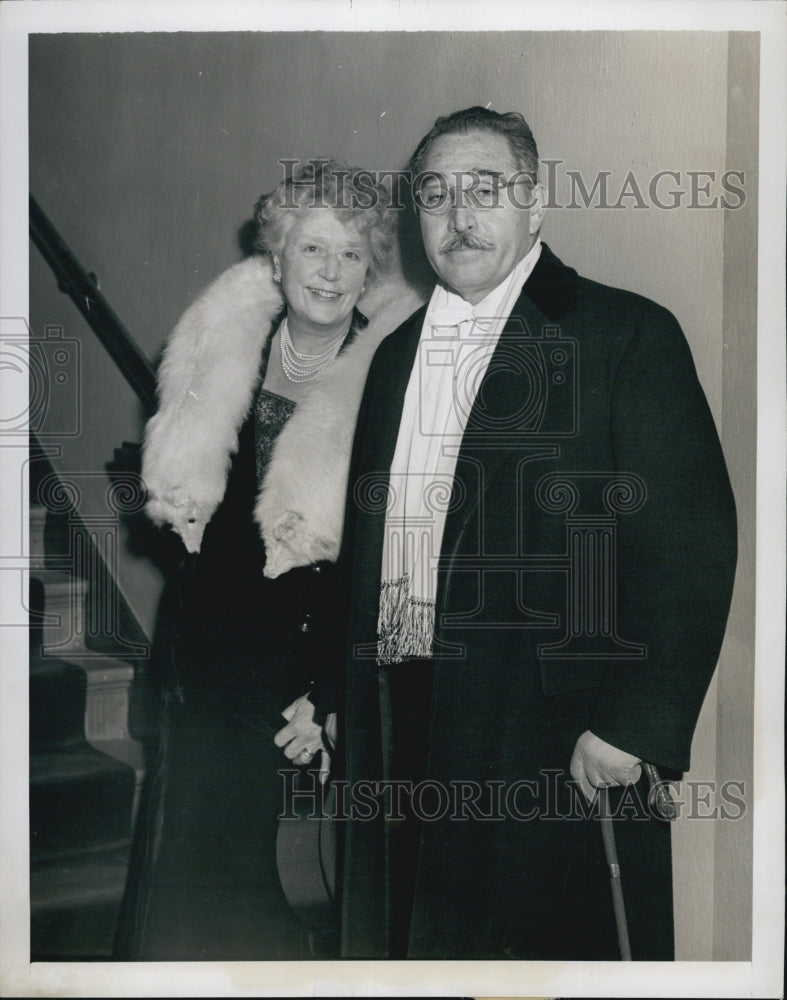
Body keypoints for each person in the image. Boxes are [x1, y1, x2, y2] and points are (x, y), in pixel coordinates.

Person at [338, 107, 738, 960]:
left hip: (556, 739)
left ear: (537, 201)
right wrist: (345, 696)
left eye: (484, 190)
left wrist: (636, 725)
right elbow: (371, 557)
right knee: (413, 955)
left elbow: (691, 544)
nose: (457, 216)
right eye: (435, 195)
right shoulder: (394, 356)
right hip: (401, 724)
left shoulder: (625, 333)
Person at [114, 159, 425, 960]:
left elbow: (398, 556)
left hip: (307, 668)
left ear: (370, 267)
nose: (330, 273)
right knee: (189, 869)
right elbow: (187, 512)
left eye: (351, 254)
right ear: (277, 256)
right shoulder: (222, 345)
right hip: (204, 663)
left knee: (281, 888)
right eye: (313, 250)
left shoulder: (396, 375)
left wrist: (327, 690)